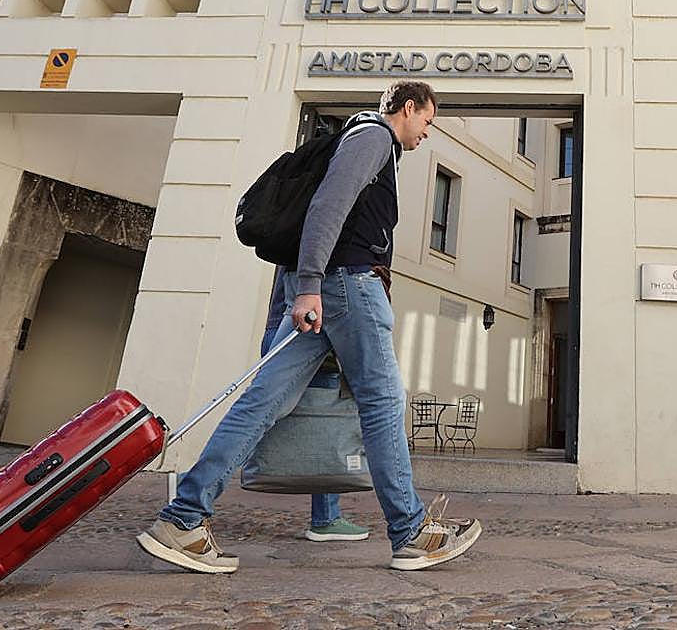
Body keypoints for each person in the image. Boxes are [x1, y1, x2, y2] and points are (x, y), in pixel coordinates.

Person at [137, 80, 481, 573]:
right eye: (428, 121)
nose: (428, 133)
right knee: (382, 404)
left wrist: (300, 291)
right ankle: (410, 532)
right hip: (348, 288)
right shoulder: (372, 138)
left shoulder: (362, 140)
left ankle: (183, 518)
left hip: (327, 290)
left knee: (265, 400)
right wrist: (311, 285)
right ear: (409, 108)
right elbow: (326, 207)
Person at [253, 266, 370, 542]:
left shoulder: (291, 238)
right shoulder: (311, 242)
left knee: (263, 414)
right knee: (320, 425)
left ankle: (326, 516)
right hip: (307, 329)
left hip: (282, 327)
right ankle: (326, 518)